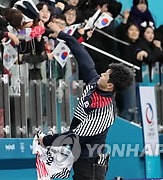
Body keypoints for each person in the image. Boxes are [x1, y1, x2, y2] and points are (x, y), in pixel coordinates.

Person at [40, 21, 134, 180]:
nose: (101, 74)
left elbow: (75, 136)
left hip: (91, 162)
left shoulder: (104, 112)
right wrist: (63, 36)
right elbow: (83, 56)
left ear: (110, 86)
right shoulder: (94, 82)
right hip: (79, 156)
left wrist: (46, 141)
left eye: (105, 75)